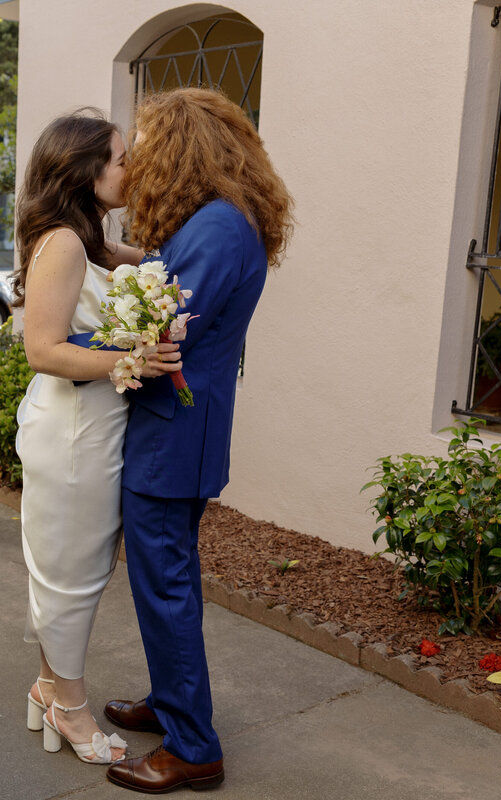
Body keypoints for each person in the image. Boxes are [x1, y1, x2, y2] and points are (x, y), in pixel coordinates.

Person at [102, 88, 295, 793]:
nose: (141, 160)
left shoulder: (216, 228)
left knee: (166, 586)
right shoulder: (220, 220)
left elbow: (161, 330)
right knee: (167, 583)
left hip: (173, 436)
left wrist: (75, 340)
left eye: (148, 146)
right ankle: (172, 701)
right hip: (180, 431)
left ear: (184, 150)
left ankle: (194, 747)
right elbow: (163, 287)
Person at [13, 110, 182, 765]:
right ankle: (71, 710)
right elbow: (44, 349)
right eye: (119, 159)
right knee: (72, 577)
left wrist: (166, 296)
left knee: (65, 570)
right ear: (84, 170)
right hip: (74, 433)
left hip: (91, 428)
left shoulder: (86, 241)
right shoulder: (61, 243)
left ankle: (47, 687)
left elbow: (147, 269)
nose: (128, 170)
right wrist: (135, 356)